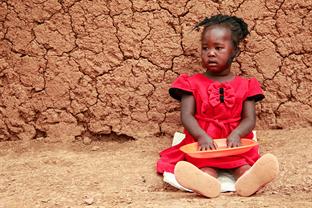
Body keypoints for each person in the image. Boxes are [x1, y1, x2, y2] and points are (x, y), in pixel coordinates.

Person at [156, 14, 279, 198]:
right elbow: (187, 116)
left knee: (242, 163)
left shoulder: (246, 85)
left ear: (235, 52)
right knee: (204, 164)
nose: (210, 53)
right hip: (203, 142)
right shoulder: (191, 83)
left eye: (218, 48)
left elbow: (249, 119)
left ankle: (248, 180)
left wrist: (237, 133)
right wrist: (201, 136)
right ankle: (207, 182)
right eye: (205, 48)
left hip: (233, 143)